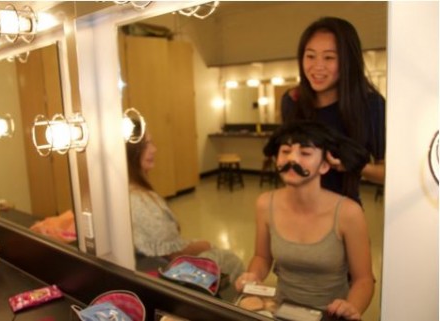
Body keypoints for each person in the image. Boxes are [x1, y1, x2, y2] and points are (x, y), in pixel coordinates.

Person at [237, 120, 374, 320]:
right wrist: (253, 276)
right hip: (280, 310)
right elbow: (262, 257)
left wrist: (351, 307)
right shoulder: (265, 204)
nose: (292, 159)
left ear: (325, 165)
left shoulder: (348, 213)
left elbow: (364, 280)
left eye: (305, 153)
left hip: (330, 315)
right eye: (285, 151)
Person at [264, 16, 385, 202]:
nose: (317, 67)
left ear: (348, 61)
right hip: (295, 208)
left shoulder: (371, 105)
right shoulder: (292, 101)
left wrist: (354, 166)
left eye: (329, 57)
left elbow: (388, 173)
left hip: (342, 213)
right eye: (310, 56)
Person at [126, 129, 244, 284]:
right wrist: (206, 245)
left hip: (153, 264)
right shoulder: (140, 202)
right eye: (147, 144)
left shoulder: (127, 192)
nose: (154, 149)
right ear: (130, 151)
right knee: (230, 259)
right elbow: (174, 254)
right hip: (166, 275)